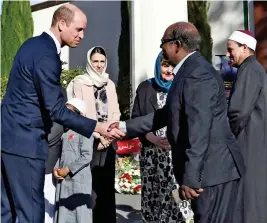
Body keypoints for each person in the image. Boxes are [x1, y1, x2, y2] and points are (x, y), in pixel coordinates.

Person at [109, 22, 245, 223]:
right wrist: (124, 127)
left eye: (163, 42)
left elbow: (199, 129)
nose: (161, 48)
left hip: (214, 172)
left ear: (177, 45)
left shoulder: (197, 73)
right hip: (208, 172)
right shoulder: (187, 70)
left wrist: (191, 177)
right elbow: (166, 114)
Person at [1, 4, 124, 223]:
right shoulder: (47, 56)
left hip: (8, 141)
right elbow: (56, 109)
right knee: (31, 215)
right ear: (61, 24)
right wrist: (97, 126)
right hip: (26, 144)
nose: (82, 35)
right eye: (78, 29)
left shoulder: (31, 45)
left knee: (7, 211)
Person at [132, 51, 190, 222]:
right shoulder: (145, 88)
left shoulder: (183, 87)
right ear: (159, 66)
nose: (169, 70)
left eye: (172, 65)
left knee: (175, 196)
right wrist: (152, 138)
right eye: (165, 65)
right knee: (152, 197)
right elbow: (136, 118)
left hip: (175, 154)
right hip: (151, 153)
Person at [66, 46, 120, 222]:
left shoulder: (109, 84)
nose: (98, 65)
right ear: (89, 62)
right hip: (90, 141)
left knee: (106, 188)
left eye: (102, 61)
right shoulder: (79, 82)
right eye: (95, 61)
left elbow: (115, 113)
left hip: (108, 142)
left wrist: (108, 136)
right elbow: (80, 114)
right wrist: (99, 135)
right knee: (90, 189)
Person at [227, 30, 267, 223]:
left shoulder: (249, 69)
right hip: (253, 141)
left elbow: (238, 112)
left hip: (247, 142)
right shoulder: (254, 68)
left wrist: (226, 137)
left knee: (247, 202)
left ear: (244, 48)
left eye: (230, 49)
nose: (228, 55)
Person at [54, 98, 94, 223]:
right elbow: (60, 154)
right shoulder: (64, 133)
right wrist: (56, 168)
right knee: (63, 212)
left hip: (79, 180)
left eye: (69, 112)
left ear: (80, 114)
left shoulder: (85, 131)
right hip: (64, 180)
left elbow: (87, 155)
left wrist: (68, 169)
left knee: (80, 213)